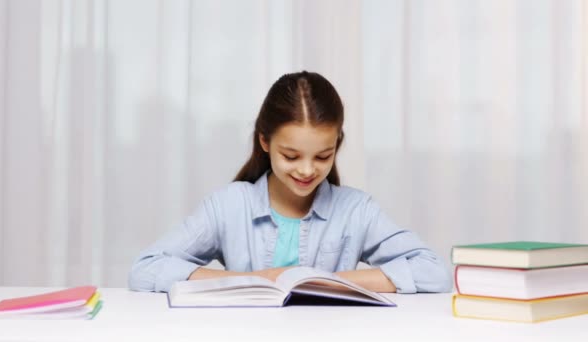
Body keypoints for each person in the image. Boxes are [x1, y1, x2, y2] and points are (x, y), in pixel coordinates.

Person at [128, 71, 452, 293]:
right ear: (265, 142)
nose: (307, 170)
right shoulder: (229, 205)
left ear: (337, 145)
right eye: (291, 156)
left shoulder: (356, 210)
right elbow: (145, 270)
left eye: (323, 157)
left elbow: (434, 273)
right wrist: (253, 281)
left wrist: (321, 282)